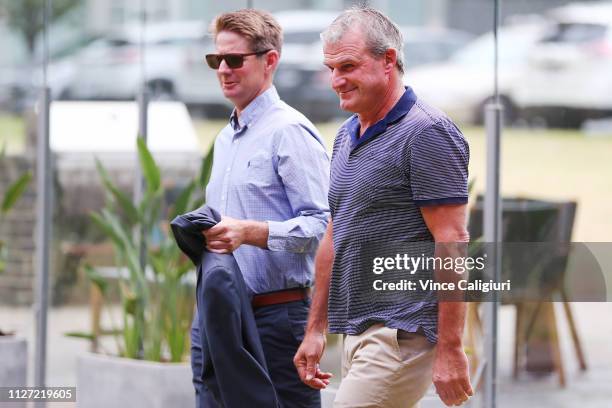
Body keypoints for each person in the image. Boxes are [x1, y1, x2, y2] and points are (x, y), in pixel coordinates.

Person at [294, 6, 474, 408]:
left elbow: (452, 240)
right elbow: (334, 233)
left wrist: (450, 348)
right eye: (331, 68)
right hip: (357, 330)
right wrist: (316, 328)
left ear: (388, 60)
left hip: (403, 333)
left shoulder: (427, 133)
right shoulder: (346, 135)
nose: (336, 80)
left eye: (348, 66)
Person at [192, 8, 331, 408]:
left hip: (277, 321)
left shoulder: (290, 132)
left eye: (234, 59)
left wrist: (251, 232)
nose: (223, 69)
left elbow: (323, 228)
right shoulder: (225, 139)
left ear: (270, 61)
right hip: (220, 317)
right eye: (215, 60)